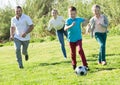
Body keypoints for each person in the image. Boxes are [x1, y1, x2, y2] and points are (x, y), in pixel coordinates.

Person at [64, 6, 88, 70]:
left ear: (76, 13)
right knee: (73, 53)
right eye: (71, 14)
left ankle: (85, 65)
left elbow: (86, 20)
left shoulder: (78, 19)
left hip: (78, 38)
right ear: (68, 14)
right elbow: (65, 28)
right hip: (71, 40)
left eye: (74, 14)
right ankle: (74, 64)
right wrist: (71, 25)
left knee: (80, 50)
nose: (72, 15)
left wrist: (84, 23)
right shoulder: (68, 20)